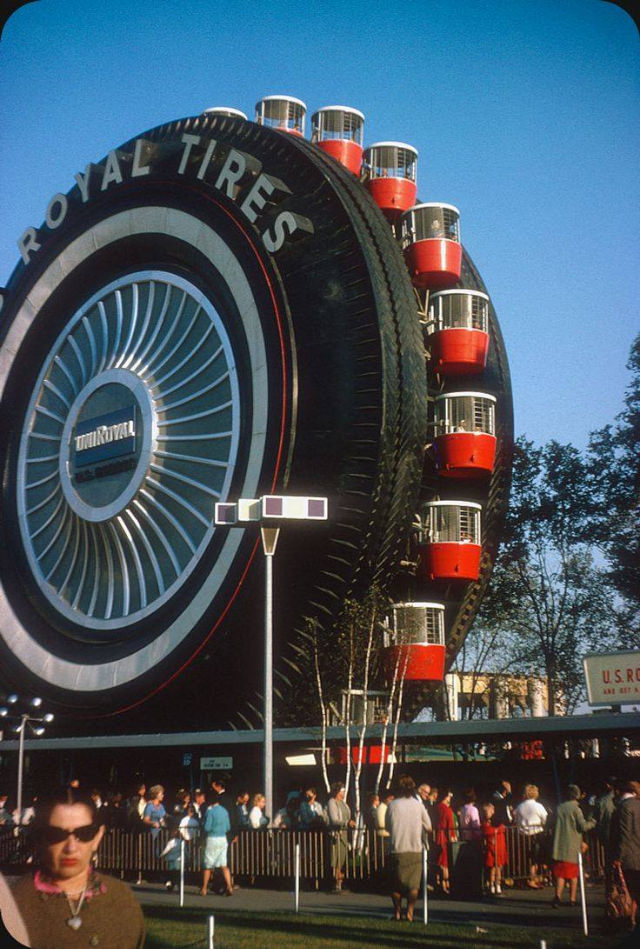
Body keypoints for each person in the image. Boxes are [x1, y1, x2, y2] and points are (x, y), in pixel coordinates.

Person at [7, 787, 145, 948]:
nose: (71, 847)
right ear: (39, 838)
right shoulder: (14, 905)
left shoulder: (122, 900)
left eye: (84, 833)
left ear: (98, 836)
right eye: (57, 835)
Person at [386, 775, 431, 922]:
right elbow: (429, 826)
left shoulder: (392, 805)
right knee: (413, 885)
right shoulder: (418, 805)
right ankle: (410, 912)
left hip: (397, 847)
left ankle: (397, 912)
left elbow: (387, 826)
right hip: (414, 848)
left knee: (395, 885)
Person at [551, 784, 596, 908]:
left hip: (559, 845)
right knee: (573, 875)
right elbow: (583, 826)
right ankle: (572, 898)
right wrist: (593, 822)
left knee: (560, 874)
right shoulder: (576, 809)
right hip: (573, 845)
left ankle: (557, 897)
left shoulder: (559, 808)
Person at [610, 779, 640, 930]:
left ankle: (631, 920)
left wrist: (618, 857)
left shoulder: (623, 807)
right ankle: (633, 920)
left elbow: (624, 834)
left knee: (631, 889)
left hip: (630, 855)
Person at [514, 784, 547, 888]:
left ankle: (525, 878)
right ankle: (532, 878)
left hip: (522, 834)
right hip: (536, 833)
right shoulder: (539, 806)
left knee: (525, 858)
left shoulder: (519, 806)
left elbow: (516, 819)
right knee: (535, 858)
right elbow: (545, 819)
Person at [200, 791, 232, 897]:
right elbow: (228, 827)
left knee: (208, 865)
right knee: (224, 865)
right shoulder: (224, 811)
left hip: (212, 838)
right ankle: (230, 886)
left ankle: (204, 888)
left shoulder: (210, 812)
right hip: (223, 838)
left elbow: (207, 827)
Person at [327, 782, 355, 893]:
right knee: (336, 858)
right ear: (337, 791)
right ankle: (336, 883)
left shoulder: (344, 804)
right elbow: (334, 819)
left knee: (342, 859)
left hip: (344, 834)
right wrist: (346, 823)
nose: (343, 793)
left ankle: (340, 882)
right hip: (336, 834)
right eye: (342, 791)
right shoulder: (332, 802)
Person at [481, 801, 506, 895]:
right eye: (488, 811)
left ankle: (498, 884)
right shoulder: (485, 822)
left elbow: (502, 828)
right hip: (491, 847)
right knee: (492, 868)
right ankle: (491, 884)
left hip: (499, 846)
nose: (490, 813)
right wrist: (496, 830)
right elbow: (487, 831)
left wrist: (496, 830)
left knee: (499, 867)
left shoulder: (496, 820)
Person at [434, 789, 456, 893]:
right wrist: (452, 837)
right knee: (445, 863)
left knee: (439, 862)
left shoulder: (436, 807)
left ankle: (439, 883)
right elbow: (450, 827)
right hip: (444, 838)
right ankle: (445, 885)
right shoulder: (447, 810)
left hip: (436, 836)